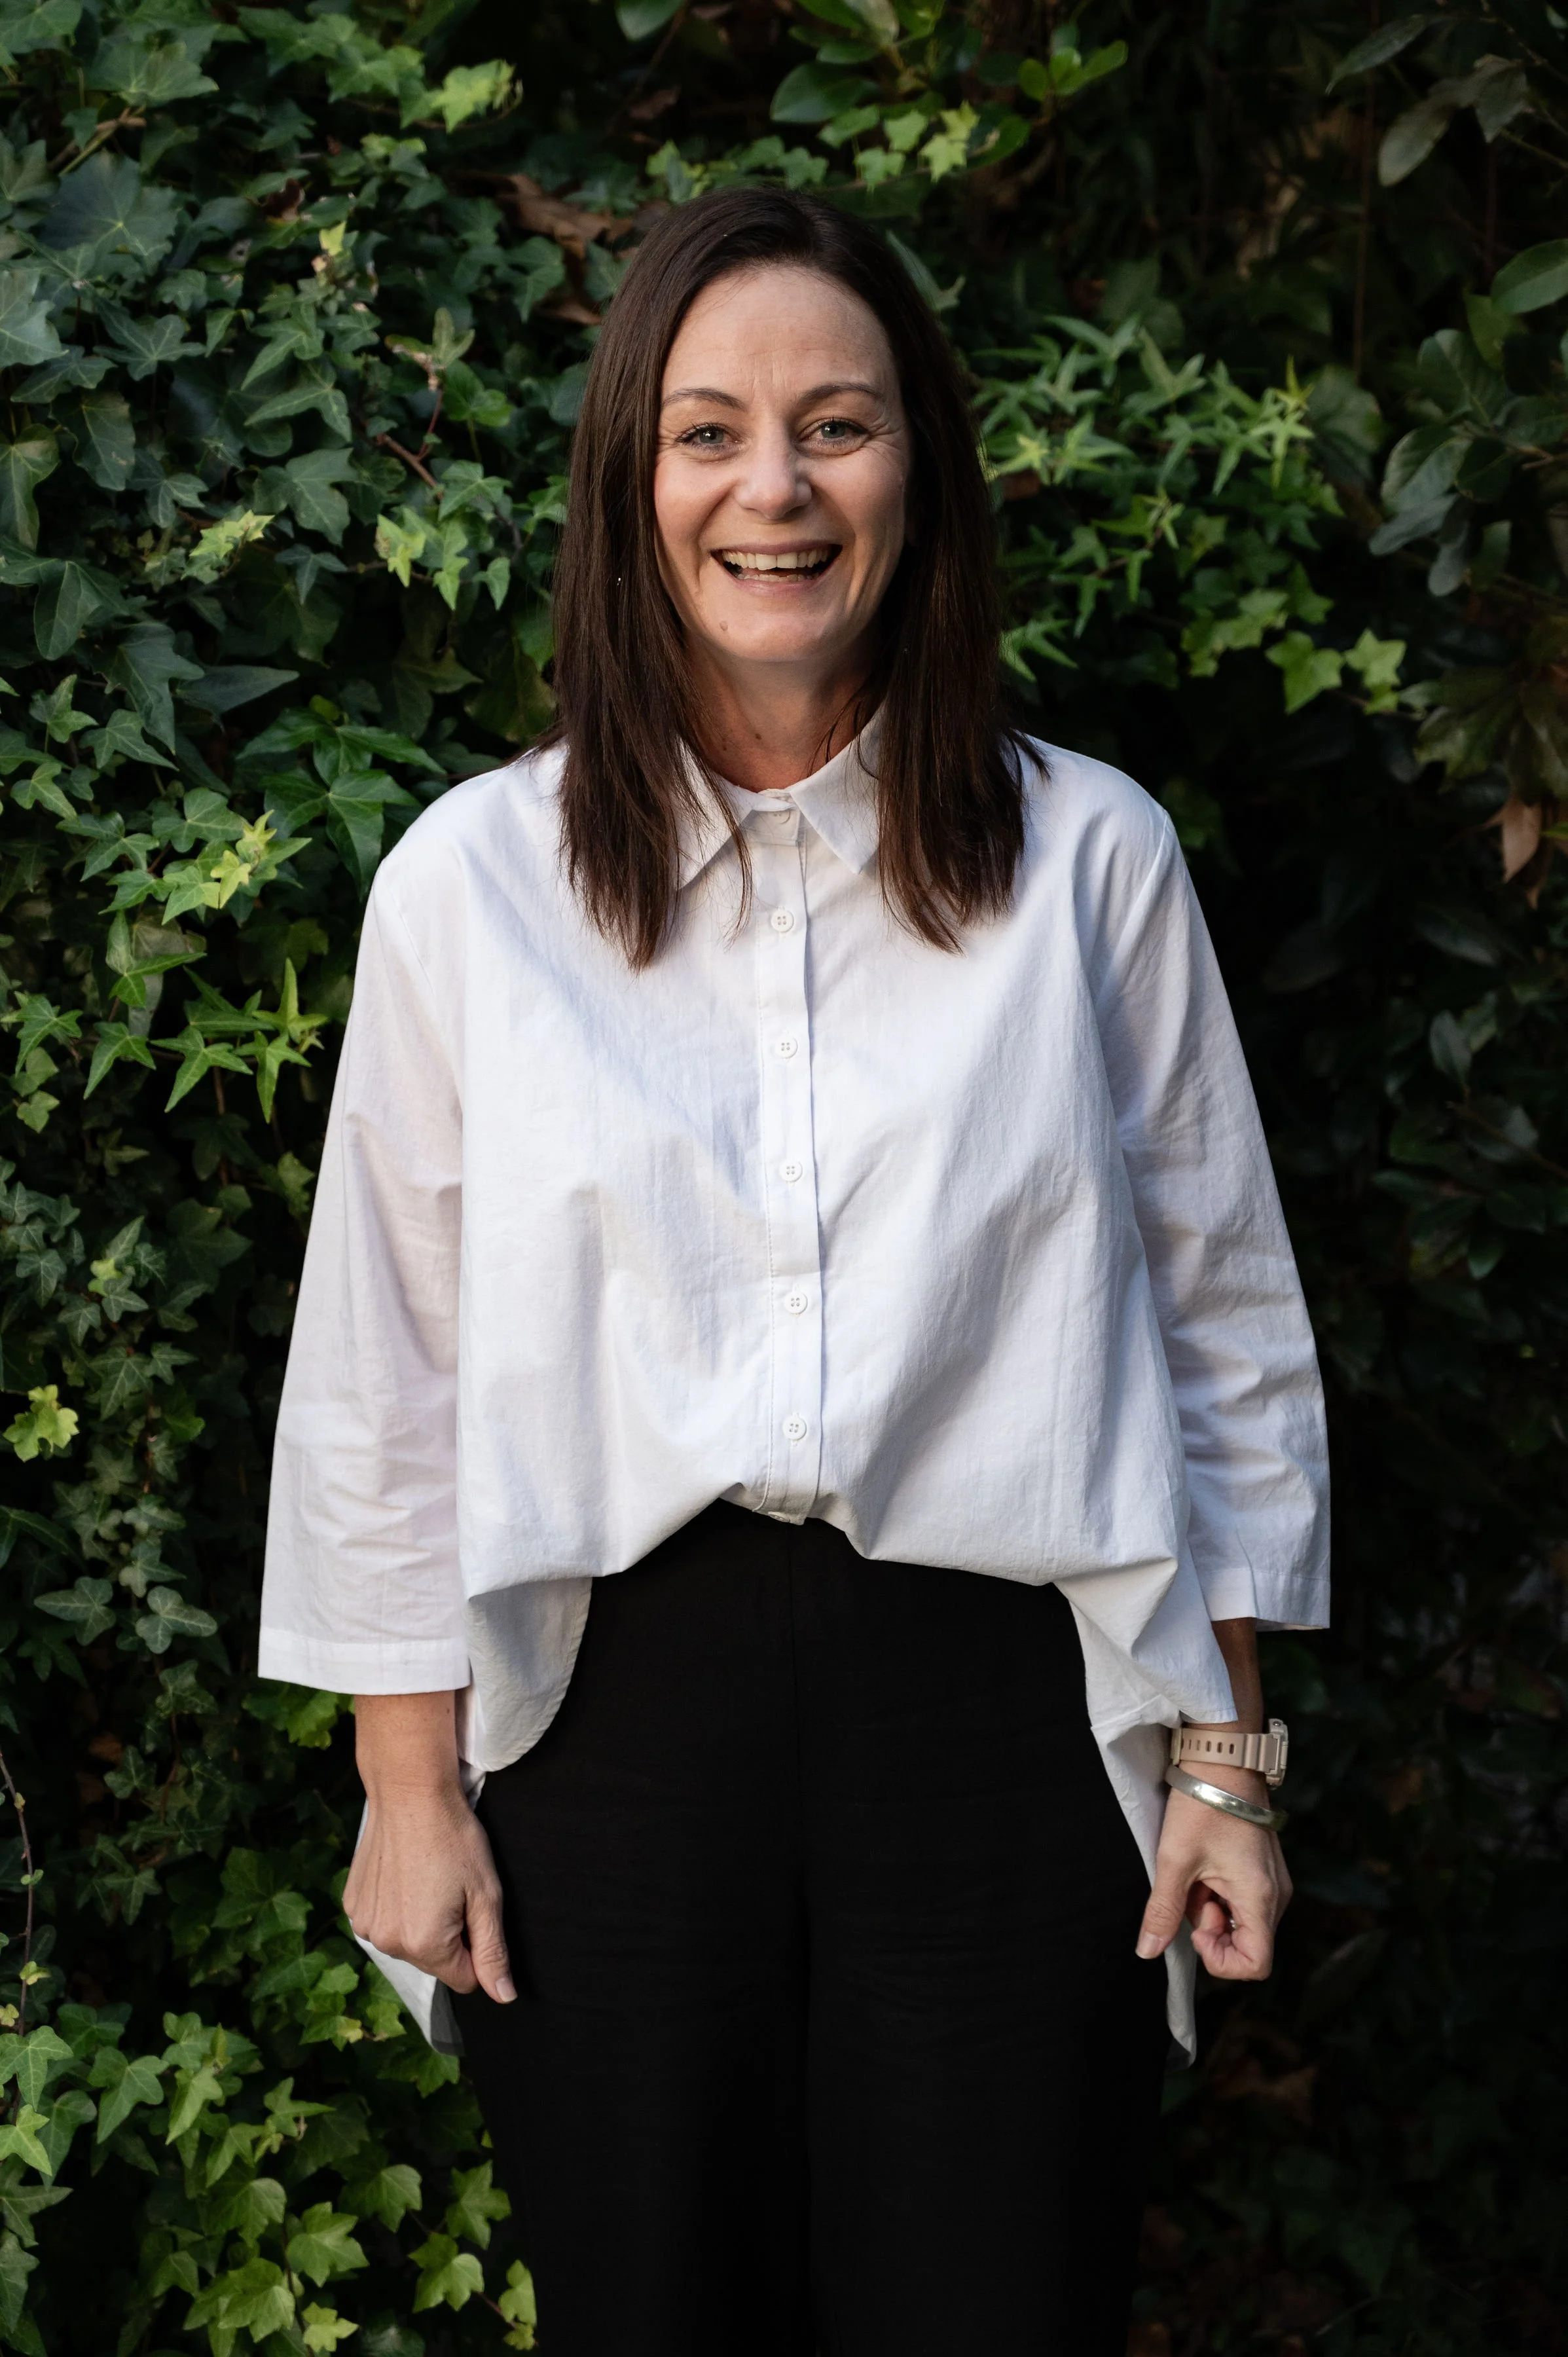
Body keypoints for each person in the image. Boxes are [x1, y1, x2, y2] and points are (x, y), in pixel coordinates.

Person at [259, 185, 1328, 2356]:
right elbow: (391, 1366)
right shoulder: (474, 887)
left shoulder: (1088, 863)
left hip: (1009, 1723)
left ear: (916, 470)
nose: (773, 487)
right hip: (617, 1737)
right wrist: (404, 1787)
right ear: (627, 482)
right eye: (708, 430)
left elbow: (1222, 1335)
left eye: (836, 427)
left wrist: (1223, 1766)